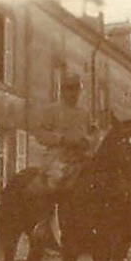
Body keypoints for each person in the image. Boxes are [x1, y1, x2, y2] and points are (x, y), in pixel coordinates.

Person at [30, 73, 99, 244]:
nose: (73, 94)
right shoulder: (52, 111)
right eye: (70, 90)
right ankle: (44, 223)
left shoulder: (84, 113)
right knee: (54, 182)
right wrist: (60, 139)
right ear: (63, 92)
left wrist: (88, 141)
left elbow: (94, 133)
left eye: (76, 90)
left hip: (80, 157)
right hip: (58, 157)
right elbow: (40, 133)